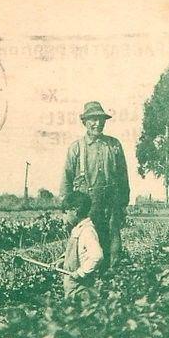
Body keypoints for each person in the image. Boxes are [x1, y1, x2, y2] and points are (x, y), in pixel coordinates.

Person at [60, 101, 130, 270]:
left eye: (100, 119)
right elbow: (66, 180)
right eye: (92, 119)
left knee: (112, 250)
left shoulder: (114, 146)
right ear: (84, 122)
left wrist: (122, 206)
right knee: (87, 249)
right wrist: (66, 211)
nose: (96, 123)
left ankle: (109, 285)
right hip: (85, 209)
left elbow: (123, 178)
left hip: (111, 207)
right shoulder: (76, 148)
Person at [58, 191, 104, 299]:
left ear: (75, 210)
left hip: (81, 286)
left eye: (65, 212)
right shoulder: (78, 229)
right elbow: (74, 252)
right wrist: (61, 260)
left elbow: (97, 255)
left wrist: (81, 272)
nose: (64, 216)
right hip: (72, 286)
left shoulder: (87, 231)